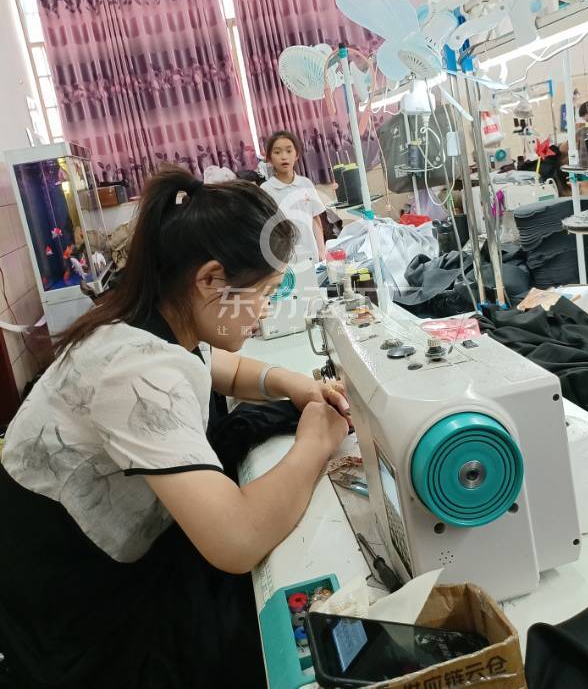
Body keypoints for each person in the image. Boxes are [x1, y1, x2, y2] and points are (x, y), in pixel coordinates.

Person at [0, 168, 349, 689]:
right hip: (75, 615)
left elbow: (221, 368)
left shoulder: (151, 321)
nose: (265, 311)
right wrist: (317, 440)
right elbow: (237, 539)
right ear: (210, 279)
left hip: (97, 566)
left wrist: (292, 384)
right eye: (264, 292)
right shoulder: (133, 370)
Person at [261, 131, 326, 262]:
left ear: (297, 155)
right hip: (285, 260)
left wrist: (321, 251)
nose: (284, 156)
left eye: (289, 151)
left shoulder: (306, 184)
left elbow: (315, 219)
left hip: (312, 256)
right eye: (277, 152)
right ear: (269, 158)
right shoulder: (266, 190)